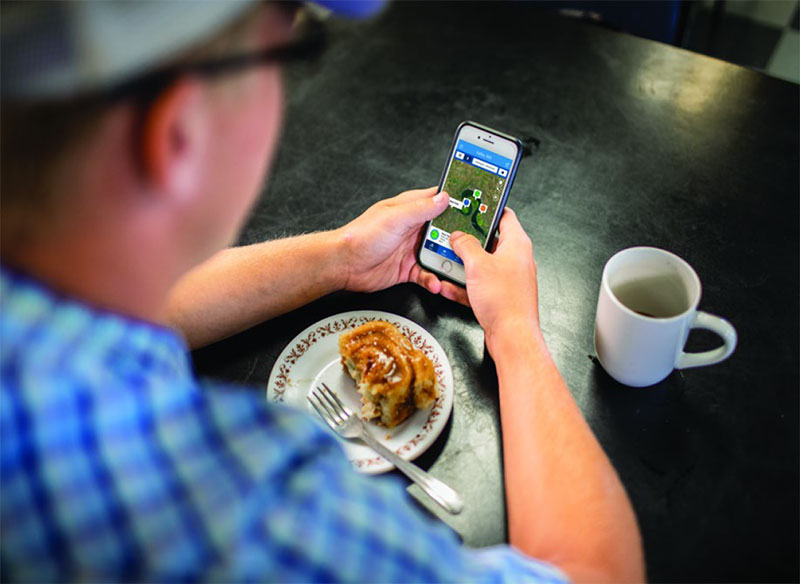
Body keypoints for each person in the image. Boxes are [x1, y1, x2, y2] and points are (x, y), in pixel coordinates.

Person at [0, 1, 644, 582]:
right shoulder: (249, 510)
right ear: (178, 133)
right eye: (289, 53)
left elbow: (131, 314)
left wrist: (340, 258)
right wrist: (517, 333)